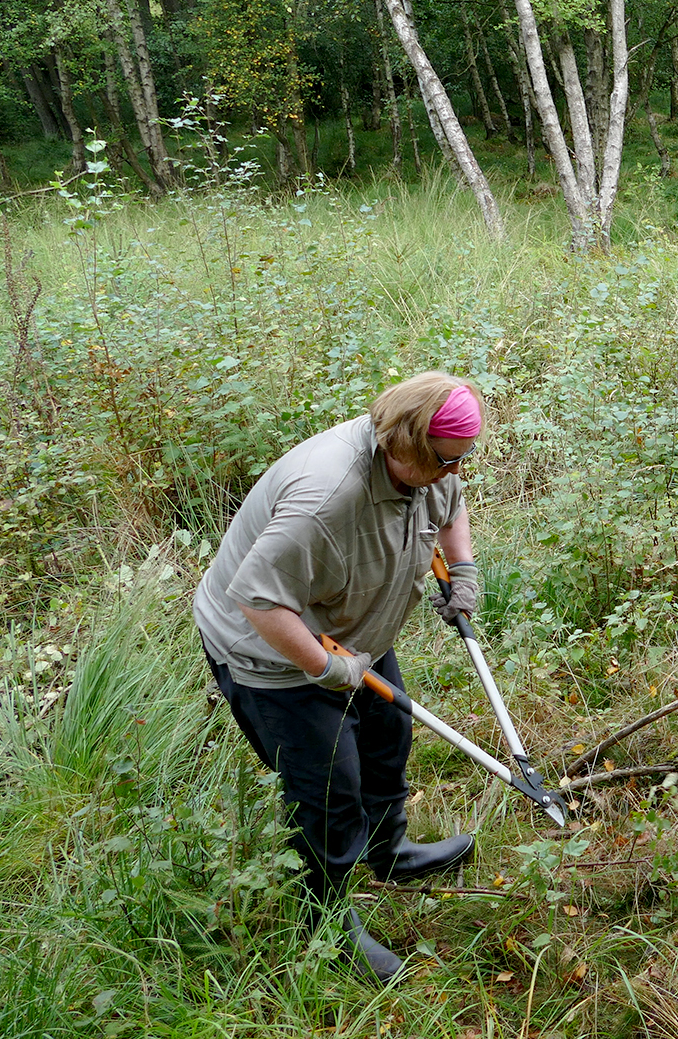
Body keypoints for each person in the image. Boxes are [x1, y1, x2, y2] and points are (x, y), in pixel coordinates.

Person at [194, 372, 487, 982]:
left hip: (352, 626)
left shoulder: (429, 469)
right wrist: (324, 667)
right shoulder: (326, 499)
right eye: (447, 462)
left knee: (388, 736)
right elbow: (257, 598)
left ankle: (389, 850)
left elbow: (449, 508)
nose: (455, 474)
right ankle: (326, 919)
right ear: (403, 447)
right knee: (329, 787)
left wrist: (461, 570)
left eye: (463, 460)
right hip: (273, 651)